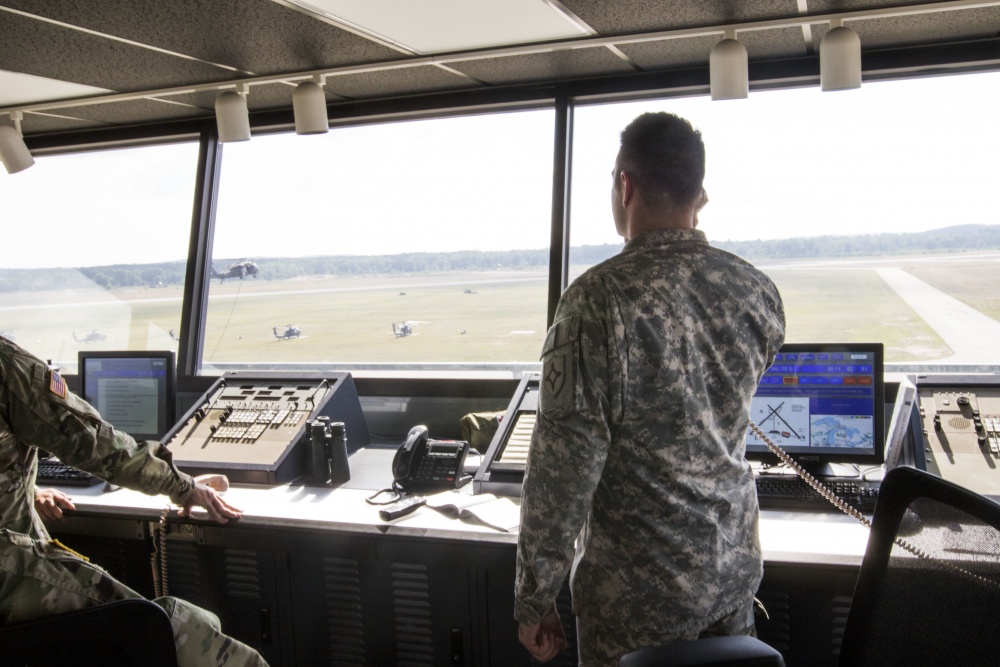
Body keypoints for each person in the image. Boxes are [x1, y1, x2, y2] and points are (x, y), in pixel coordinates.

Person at [514, 112, 786, 666]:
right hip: (730, 580)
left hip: (635, 606)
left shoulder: (596, 301)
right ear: (699, 198)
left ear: (625, 185)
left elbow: (561, 472)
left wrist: (534, 595)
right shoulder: (756, 292)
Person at [0, 337, 268, 667]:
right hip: (6, 569)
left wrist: (26, 488)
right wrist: (183, 487)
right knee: (171, 628)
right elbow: (96, 445)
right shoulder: (6, 364)